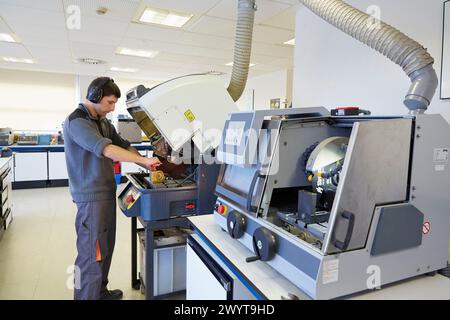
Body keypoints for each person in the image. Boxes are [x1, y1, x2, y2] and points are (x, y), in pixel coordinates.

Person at [63, 77, 161, 300]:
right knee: (91, 253)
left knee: (105, 248)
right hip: (90, 198)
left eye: (115, 102)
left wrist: (147, 160)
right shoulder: (77, 121)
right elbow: (107, 150)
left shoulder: (103, 121)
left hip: (105, 193)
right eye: (109, 102)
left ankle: (100, 292)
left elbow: (123, 145)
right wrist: (146, 163)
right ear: (95, 97)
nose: (112, 107)